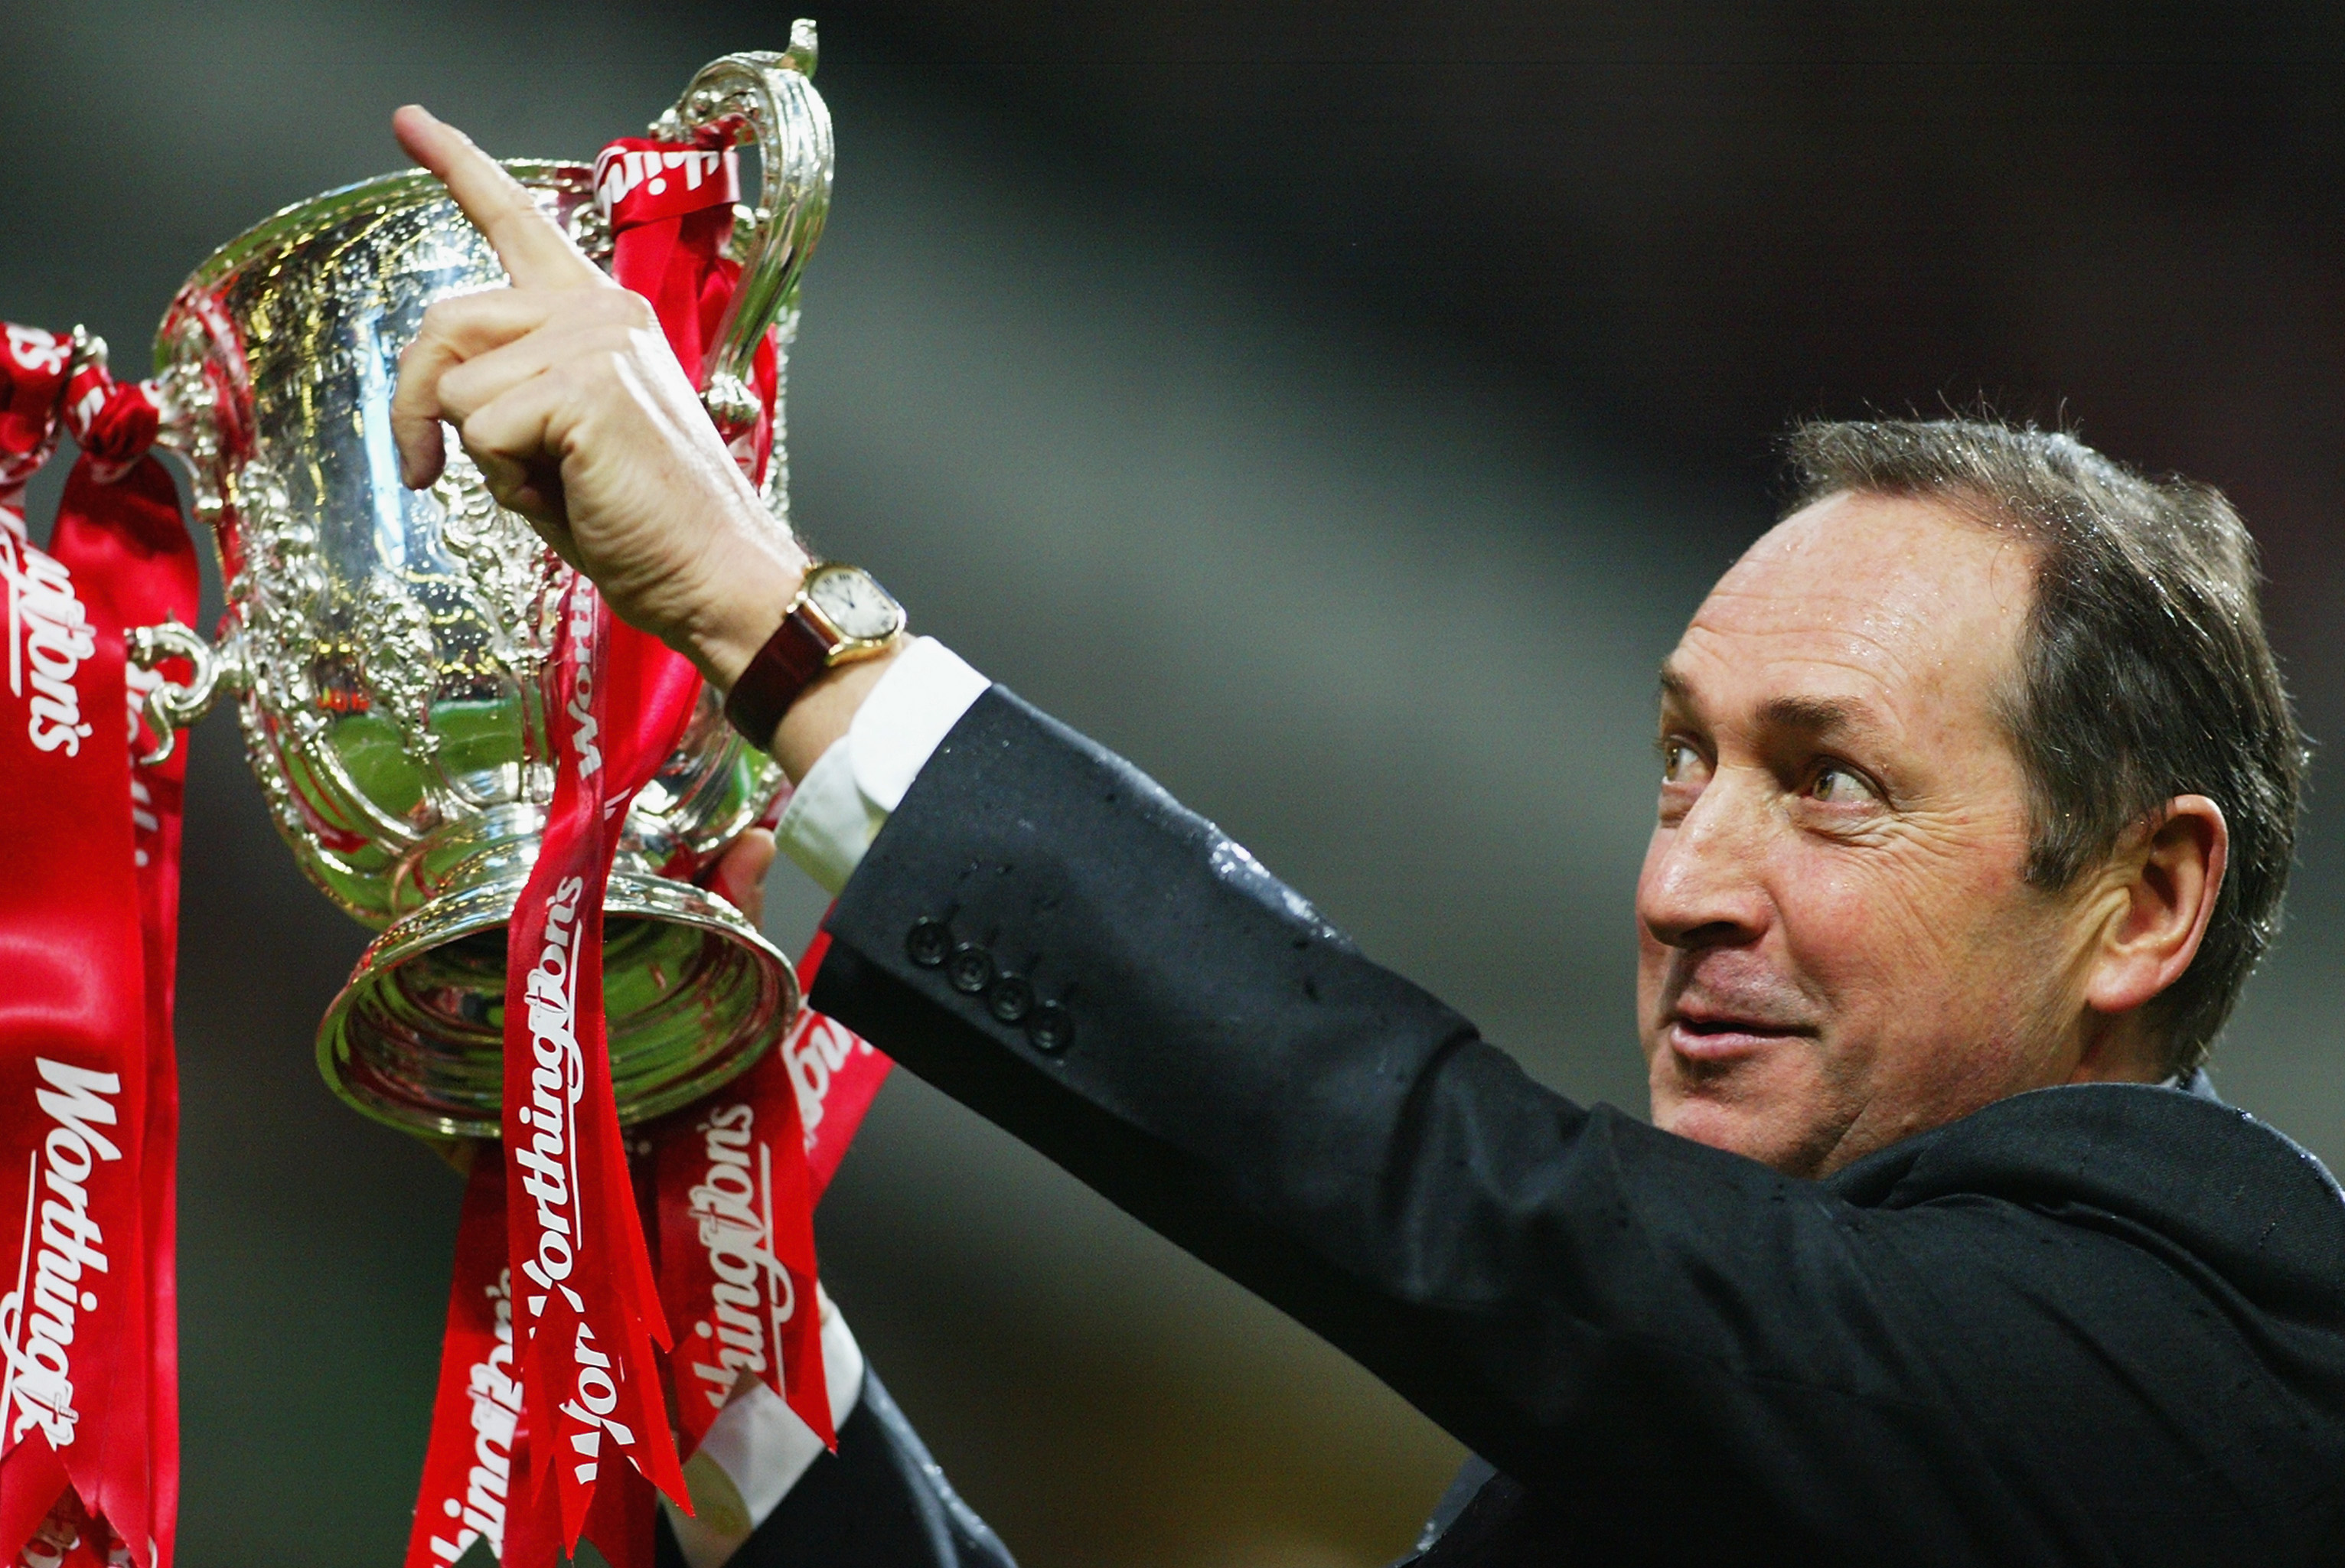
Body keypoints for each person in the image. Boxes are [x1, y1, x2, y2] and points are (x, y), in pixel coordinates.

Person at [386, 106, 2345, 1565]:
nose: (1678, 886)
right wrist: (735, 1359)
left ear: (2140, 898)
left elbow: (1468, 1196)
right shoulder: (1660, 1459)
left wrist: (774, 623)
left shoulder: (2205, 1367)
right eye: (1681, 763)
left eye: (1828, 779)